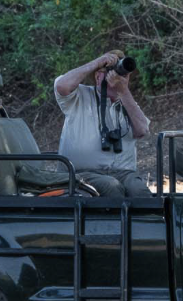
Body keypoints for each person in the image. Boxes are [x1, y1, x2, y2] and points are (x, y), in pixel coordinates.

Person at [53, 50, 151, 197]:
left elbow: (142, 130)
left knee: (140, 191)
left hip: (123, 173)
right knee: (111, 187)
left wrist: (123, 91)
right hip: (82, 173)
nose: (119, 77)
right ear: (98, 77)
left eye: (123, 74)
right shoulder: (79, 97)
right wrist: (97, 62)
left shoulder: (127, 102)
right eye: (113, 72)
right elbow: (61, 86)